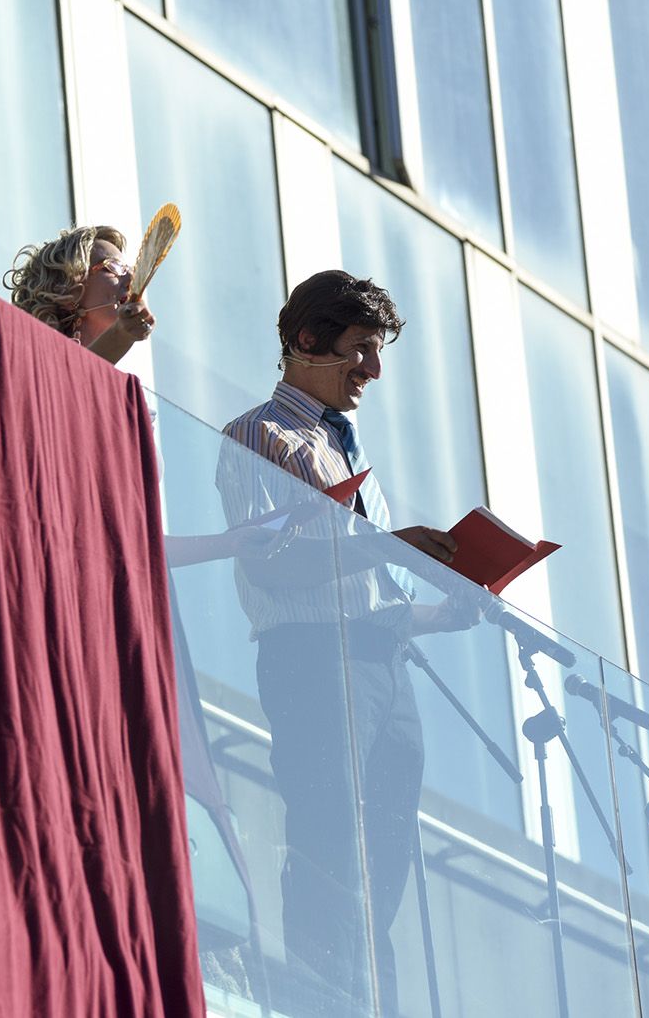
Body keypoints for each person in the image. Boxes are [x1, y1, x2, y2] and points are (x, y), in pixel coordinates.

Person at [214, 270, 465, 1017]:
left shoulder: (340, 448)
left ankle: (364, 1004)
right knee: (331, 843)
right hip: (314, 665)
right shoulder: (259, 435)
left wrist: (440, 616)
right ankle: (320, 1004)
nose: (373, 370)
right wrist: (386, 548)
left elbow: (357, 593)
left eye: (378, 352)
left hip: (378, 664)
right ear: (306, 340)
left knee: (383, 863)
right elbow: (269, 563)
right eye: (361, 349)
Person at [3, 225, 157, 366]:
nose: (132, 280)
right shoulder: (30, 364)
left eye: (131, 271)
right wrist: (121, 335)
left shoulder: (126, 393)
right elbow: (70, 385)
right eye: (114, 267)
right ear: (67, 290)